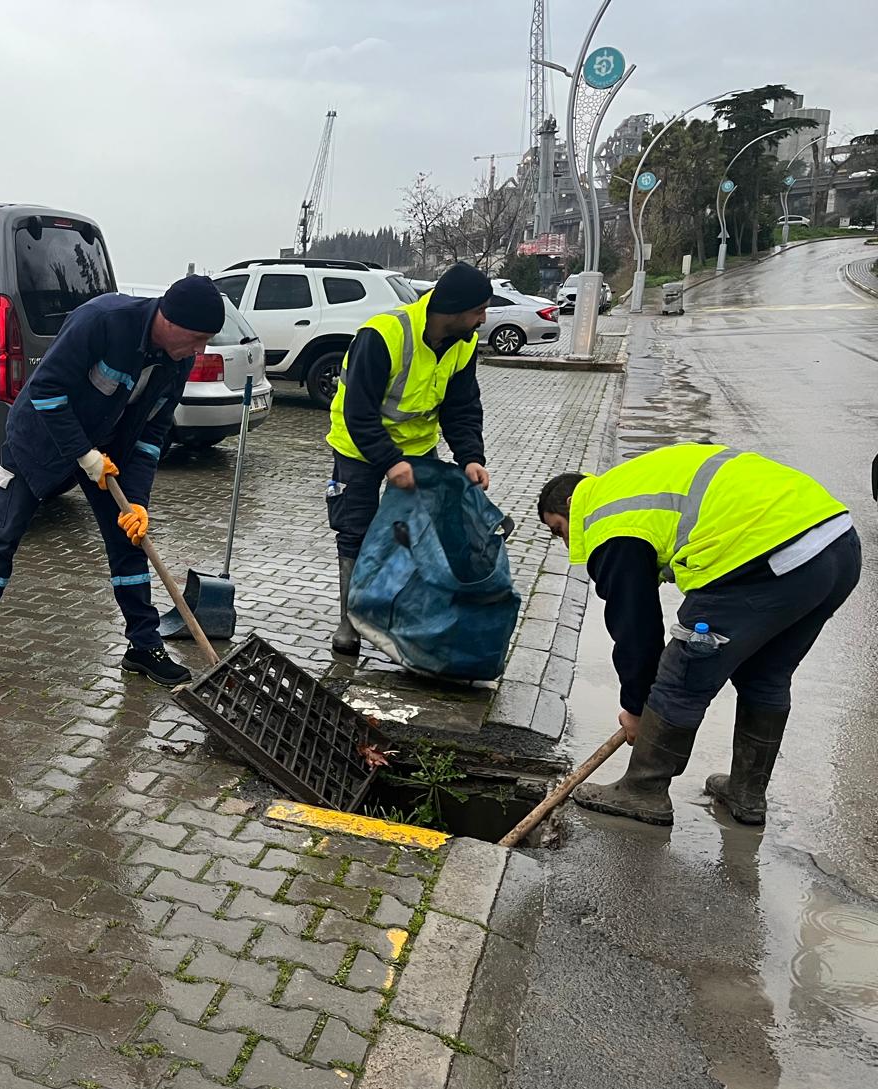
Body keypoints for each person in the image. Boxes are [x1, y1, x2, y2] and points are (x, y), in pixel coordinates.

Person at [537, 443, 859, 826]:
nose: (567, 543)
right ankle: (746, 794)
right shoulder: (630, 485)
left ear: (571, 502)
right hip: (838, 545)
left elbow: (635, 627)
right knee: (765, 674)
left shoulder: (605, 520)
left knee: (682, 673)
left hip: (764, 554)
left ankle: (644, 790)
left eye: (559, 530)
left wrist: (637, 707)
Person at [0, 275, 224, 690]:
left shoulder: (178, 360)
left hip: (108, 452)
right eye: (198, 338)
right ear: (171, 320)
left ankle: (143, 645)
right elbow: (45, 390)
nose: (200, 350)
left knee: (129, 542)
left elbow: (152, 433)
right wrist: (85, 455)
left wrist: (137, 501)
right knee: (3, 538)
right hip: (38, 442)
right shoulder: (102, 321)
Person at [326, 262, 495, 654]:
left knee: (414, 533)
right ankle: (349, 623)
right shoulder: (383, 335)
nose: (483, 320)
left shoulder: (464, 343)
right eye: (478, 311)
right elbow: (359, 411)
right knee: (355, 530)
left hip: (417, 449)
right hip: (359, 448)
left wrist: (470, 456)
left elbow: (462, 407)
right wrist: (389, 461)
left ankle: (401, 619)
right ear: (452, 310)